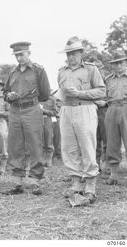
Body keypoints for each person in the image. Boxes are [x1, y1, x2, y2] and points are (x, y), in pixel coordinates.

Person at [57, 36, 106, 204]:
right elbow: (60, 91)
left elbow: (101, 91)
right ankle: (76, 183)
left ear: (80, 53)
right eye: (68, 53)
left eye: (74, 53)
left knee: (87, 146)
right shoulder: (62, 71)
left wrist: (79, 93)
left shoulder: (91, 69)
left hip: (85, 108)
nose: (71, 57)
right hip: (66, 109)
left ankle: (90, 186)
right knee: (69, 148)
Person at [1, 41, 50, 196]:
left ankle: (35, 181)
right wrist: (9, 96)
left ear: (29, 53)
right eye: (16, 55)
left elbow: (45, 93)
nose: (19, 58)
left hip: (31, 109)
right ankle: (17, 183)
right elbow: (5, 92)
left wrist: (31, 100)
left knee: (35, 144)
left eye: (21, 54)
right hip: (15, 111)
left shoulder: (38, 70)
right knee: (15, 146)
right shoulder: (12, 72)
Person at [104, 51, 127, 185]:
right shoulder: (108, 79)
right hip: (112, 108)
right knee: (112, 142)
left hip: (126, 107)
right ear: (112, 65)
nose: (118, 65)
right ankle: (113, 173)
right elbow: (104, 95)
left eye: (120, 62)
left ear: (125, 63)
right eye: (115, 63)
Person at [41, 89, 59, 167]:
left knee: (48, 140)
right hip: (37, 121)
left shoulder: (52, 100)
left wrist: (44, 111)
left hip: (48, 120)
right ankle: (42, 159)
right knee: (39, 140)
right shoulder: (37, 99)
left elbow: (55, 112)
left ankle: (49, 160)